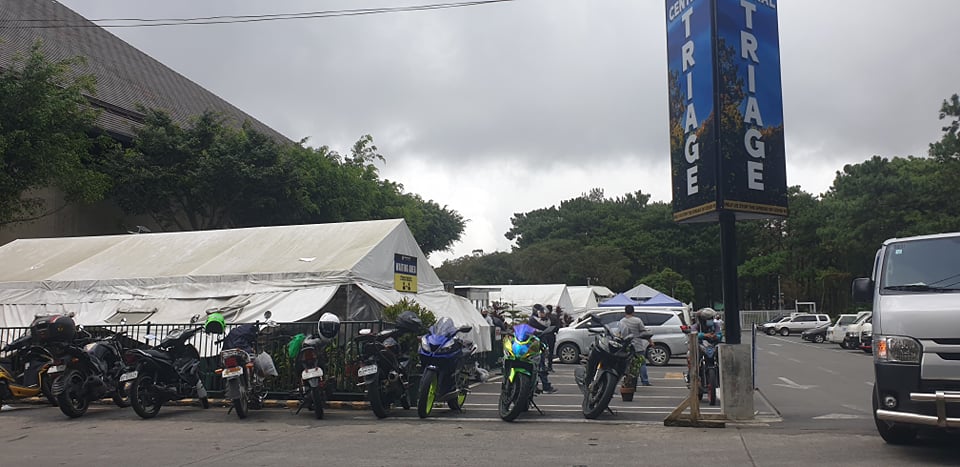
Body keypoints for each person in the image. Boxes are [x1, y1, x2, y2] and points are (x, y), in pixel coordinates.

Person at [618, 305, 651, 386]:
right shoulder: (637, 320)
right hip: (638, 345)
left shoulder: (621, 321)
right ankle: (645, 381)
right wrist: (650, 341)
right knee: (641, 363)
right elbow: (644, 332)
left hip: (627, 346)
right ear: (633, 311)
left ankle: (629, 381)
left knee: (628, 364)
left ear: (625, 311)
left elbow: (619, 333)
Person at [527, 304, 557, 393]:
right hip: (535, 345)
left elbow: (549, 325)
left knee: (540, 365)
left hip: (540, 344)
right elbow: (545, 325)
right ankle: (544, 386)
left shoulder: (542, 319)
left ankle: (539, 386)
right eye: (541, 312)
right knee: (539, 365)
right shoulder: (533, 320)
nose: (543, 313)